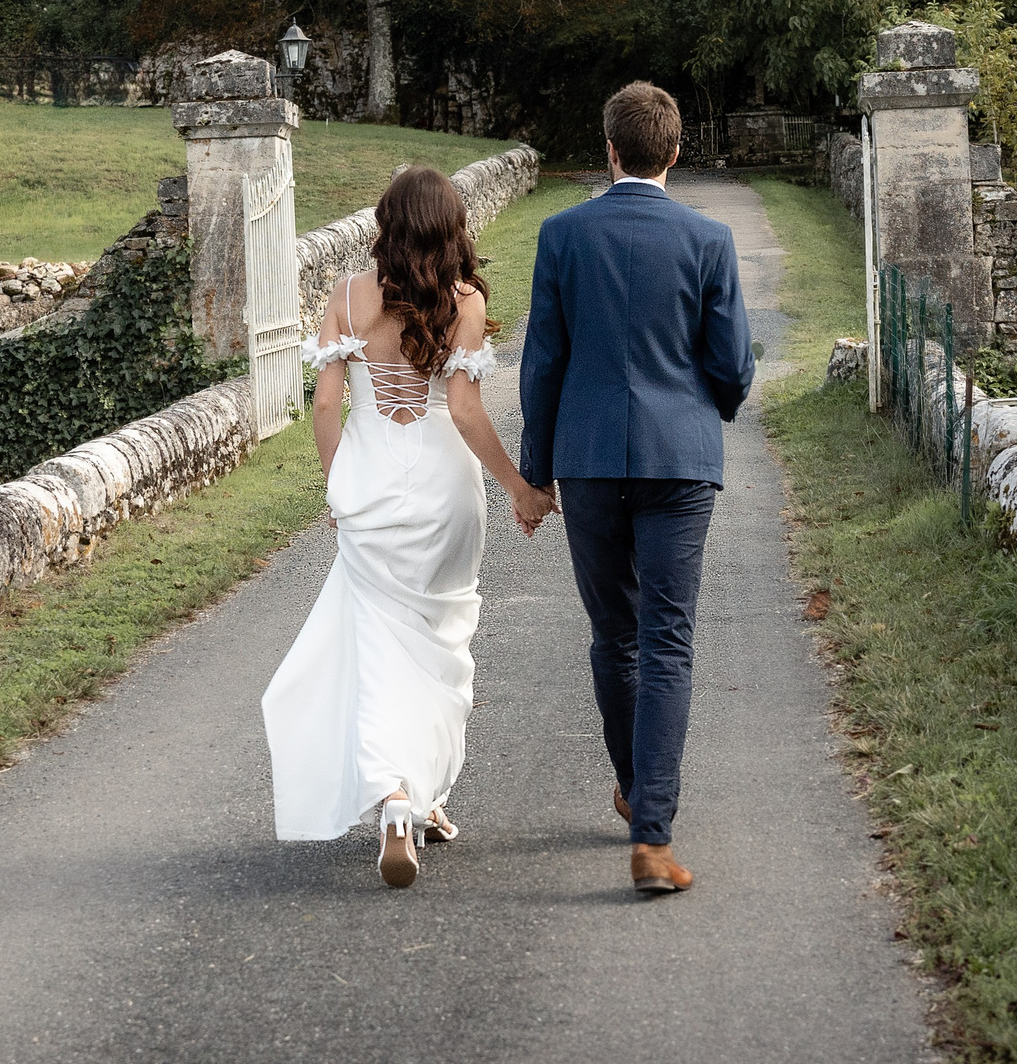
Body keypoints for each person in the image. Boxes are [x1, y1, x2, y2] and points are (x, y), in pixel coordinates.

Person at [261, 165, 555, 889]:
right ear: (452, 226)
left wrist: (338, 483)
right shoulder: (466, 302)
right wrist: (520, 487)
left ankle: (400, 799)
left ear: (388, 225)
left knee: (378, 644)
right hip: (443, 487)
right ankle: (420, 797)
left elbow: (326, 408)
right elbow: (461, 409)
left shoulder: (347, 297)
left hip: (370, 485)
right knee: (440, 643)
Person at [518, 81, 753, 895]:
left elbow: (542, 359)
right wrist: (707, 406)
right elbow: (731, 365)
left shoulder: (561, 234)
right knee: (667, 638)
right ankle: (651, 829)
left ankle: (636, 789)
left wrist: (534, 468)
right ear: (675, 153)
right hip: (680, 460)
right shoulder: (710, 238)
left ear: (609, 149)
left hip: (585, 459)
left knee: (614, 632)